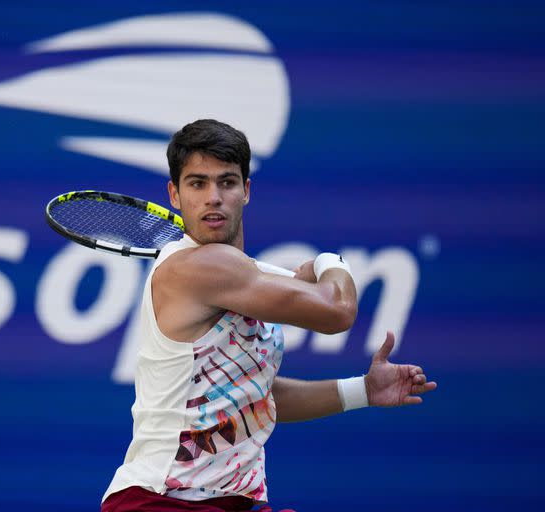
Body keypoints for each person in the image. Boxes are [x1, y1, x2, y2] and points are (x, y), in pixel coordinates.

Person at [101, 119, 437, 512]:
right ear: (174, 194)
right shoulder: (196, 267)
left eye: (226, 182)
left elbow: (256, 396)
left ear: (246, 191)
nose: (213, 197)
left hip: (231, 503)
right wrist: (333, 262)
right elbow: (338, 311)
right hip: (161, 501)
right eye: (197, 183)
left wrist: (363, 390)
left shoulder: (242, 277)